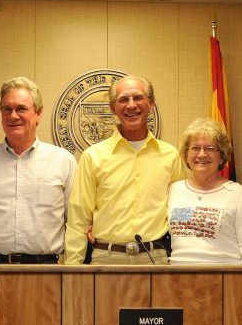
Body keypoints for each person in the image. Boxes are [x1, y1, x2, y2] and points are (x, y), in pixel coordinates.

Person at [0, 77, 76, 264]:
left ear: (39, 114)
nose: (13, 116)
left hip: (45, 271)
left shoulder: (63, 161)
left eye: (21, 108)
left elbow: (75, 223)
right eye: (7, 109)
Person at [65, 75, 187, 264]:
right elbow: (78, 219)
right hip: (106, 258)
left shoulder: (170, 155)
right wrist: (73, 268)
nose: (131, 105)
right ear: (113, 108)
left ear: (151, 103)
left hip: (155, 258)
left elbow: (180, 210)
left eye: (138, 98)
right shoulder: (93, 156)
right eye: (123, 99)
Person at [169, 118, 242, 264]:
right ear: (186, 155)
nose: (202, 154)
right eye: (195, 148)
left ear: (221, 156)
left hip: (225, 280)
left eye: (210, 148)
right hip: (177, 280)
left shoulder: (238, 194)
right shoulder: (173, 190)